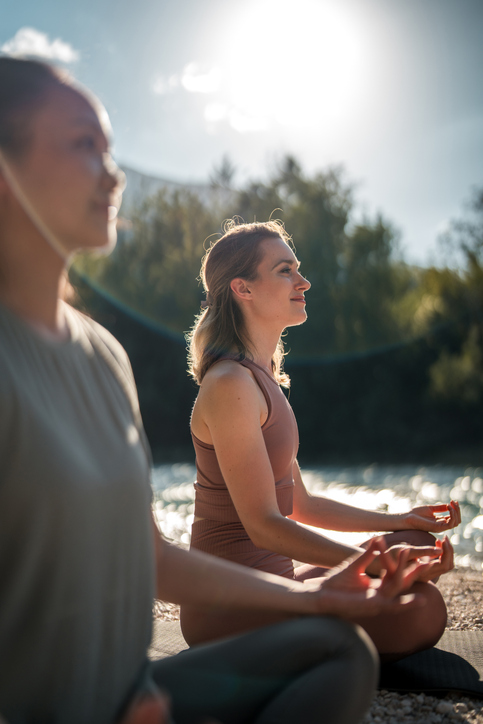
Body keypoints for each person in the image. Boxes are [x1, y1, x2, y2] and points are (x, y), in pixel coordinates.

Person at [0, 55, 441, 724]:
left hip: (131, 692)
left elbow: (149, 557)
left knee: (341, 647)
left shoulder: (103, 356)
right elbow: (265, 522)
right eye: (83, 145)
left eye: (111, 148)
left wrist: (338, 585)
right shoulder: (224, 383)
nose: (114, 172)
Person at [182, 220, 461, 654]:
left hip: (281, 585)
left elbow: (302, 505)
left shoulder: (261, 376)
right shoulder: (229, 385)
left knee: (417, 543)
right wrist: (376, 564)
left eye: (298, 269)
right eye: (285, 270)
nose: (303, 281)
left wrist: (400, 522)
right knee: (421, 610)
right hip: (230, 605)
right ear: (243, 288)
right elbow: (263, 527)